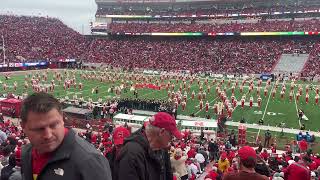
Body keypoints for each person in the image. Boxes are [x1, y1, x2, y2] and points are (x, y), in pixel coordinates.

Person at [20, 92, 112, 180]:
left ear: (62, 119)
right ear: (23, 127)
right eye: (39, 129)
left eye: (54, 125)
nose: (48, 135)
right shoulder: (27, 153)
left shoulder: (90, 160)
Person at [116, 112, 182, 180]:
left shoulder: (161, 149)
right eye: (171, 135)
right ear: (161, 132)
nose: (172, 139)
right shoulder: (131, 153)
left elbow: (168, 175)